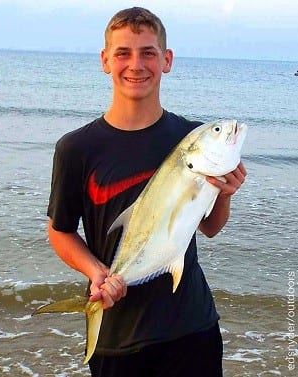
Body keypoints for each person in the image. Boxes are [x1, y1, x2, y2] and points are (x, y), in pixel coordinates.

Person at [47, 6, 247, 377]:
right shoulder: (76, 148)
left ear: (166, 60)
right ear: (105, 60)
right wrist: (98, 273)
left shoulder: (191, 139)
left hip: (192, 327)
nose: (135, 64)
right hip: (117, 336)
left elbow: (210, 227)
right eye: (123, 53)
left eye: (148, 53)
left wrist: (225, 193)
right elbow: (59, 230)